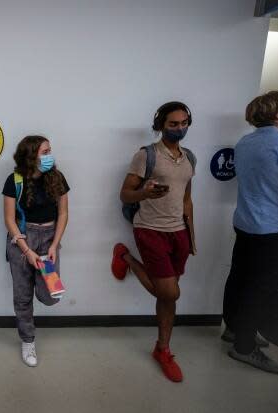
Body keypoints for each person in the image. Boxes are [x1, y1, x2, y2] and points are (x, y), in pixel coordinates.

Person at [111, 101, 196, 382]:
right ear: (161, 125)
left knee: (167, 293)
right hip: (149, 229)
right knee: (170, 293)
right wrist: (144, 193)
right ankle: (125, 257)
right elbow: (125, 194)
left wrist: (191, 237)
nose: (180, 128)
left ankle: (163, 349)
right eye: (174, 124)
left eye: (184, 123)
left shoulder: (189, 158)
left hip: (178, 232)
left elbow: (186, 199)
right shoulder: (146, 156)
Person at [222, 91, 278, 374]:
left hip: (245, 221)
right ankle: (245, 347)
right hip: (271, 226)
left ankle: (233, 329)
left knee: (239, 278)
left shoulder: (245, 143)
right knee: (259, 287)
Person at [2, 135, 69, 367]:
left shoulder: (56, 178)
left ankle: (30, 330)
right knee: (22, 296)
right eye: (44, 152)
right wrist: (26, 250)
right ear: (31, 156)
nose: (49, 155)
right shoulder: (15, 180)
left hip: (49, 238)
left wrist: (53, 245)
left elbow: (63, 213)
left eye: (50, 150)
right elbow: (9, 220)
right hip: (22, 238)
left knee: (51, 295)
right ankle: (28, 340)